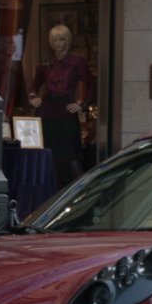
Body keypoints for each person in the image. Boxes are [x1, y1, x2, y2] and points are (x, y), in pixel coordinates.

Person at [29, 24, 96, 187]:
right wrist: (32, 97)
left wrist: (83, 106)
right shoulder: (45, 64)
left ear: (68, 41)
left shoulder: (77, 62)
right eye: (54, 40)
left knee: (70, 157)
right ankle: (49, 196)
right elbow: (34, 86)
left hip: (66, 111)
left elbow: (93, 85)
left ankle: (82, 192)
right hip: (46, 111)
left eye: (61, 39)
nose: (58, 43)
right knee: (47, 156)